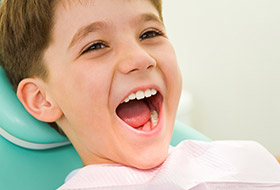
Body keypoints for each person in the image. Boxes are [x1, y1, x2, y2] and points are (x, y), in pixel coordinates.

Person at [0, 0, 279, 189]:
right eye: (96, 46)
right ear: (41, 99)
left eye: (149, 33)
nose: (140, 57)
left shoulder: (243, 156)